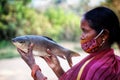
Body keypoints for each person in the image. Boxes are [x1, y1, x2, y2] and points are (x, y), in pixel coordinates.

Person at [17, 6, 120, 80]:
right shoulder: (111, 61)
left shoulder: (98, 69)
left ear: (104, 35)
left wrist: (33, 66)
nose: (82, 36)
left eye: (85, 31)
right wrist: (56, 68)